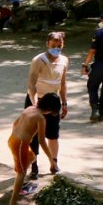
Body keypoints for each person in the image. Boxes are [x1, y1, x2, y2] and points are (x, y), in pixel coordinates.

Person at [24, 31, 69, 179]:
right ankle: (34, 166)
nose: (56, 47)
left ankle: (54, 163)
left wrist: (64, 103)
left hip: (54, 101)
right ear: (47, 43)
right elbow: (31, 84)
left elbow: (62, 84)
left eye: (59, 45)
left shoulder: (64, 60)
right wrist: (35, 103)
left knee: (53, 135)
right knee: (34, 136)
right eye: (54, 44)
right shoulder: (39, 60)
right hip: (38, 101)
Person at [8, 93, 61, 205]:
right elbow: (42, 141)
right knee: (21, 173)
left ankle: (20, 177)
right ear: (50, 109)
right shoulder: (41, 118)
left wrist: (20, 135)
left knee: (32, 157)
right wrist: (52, 160)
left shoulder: (30, 108)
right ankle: (12, 203)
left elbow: (15, 123)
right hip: (20, 144)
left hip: (13, 139)